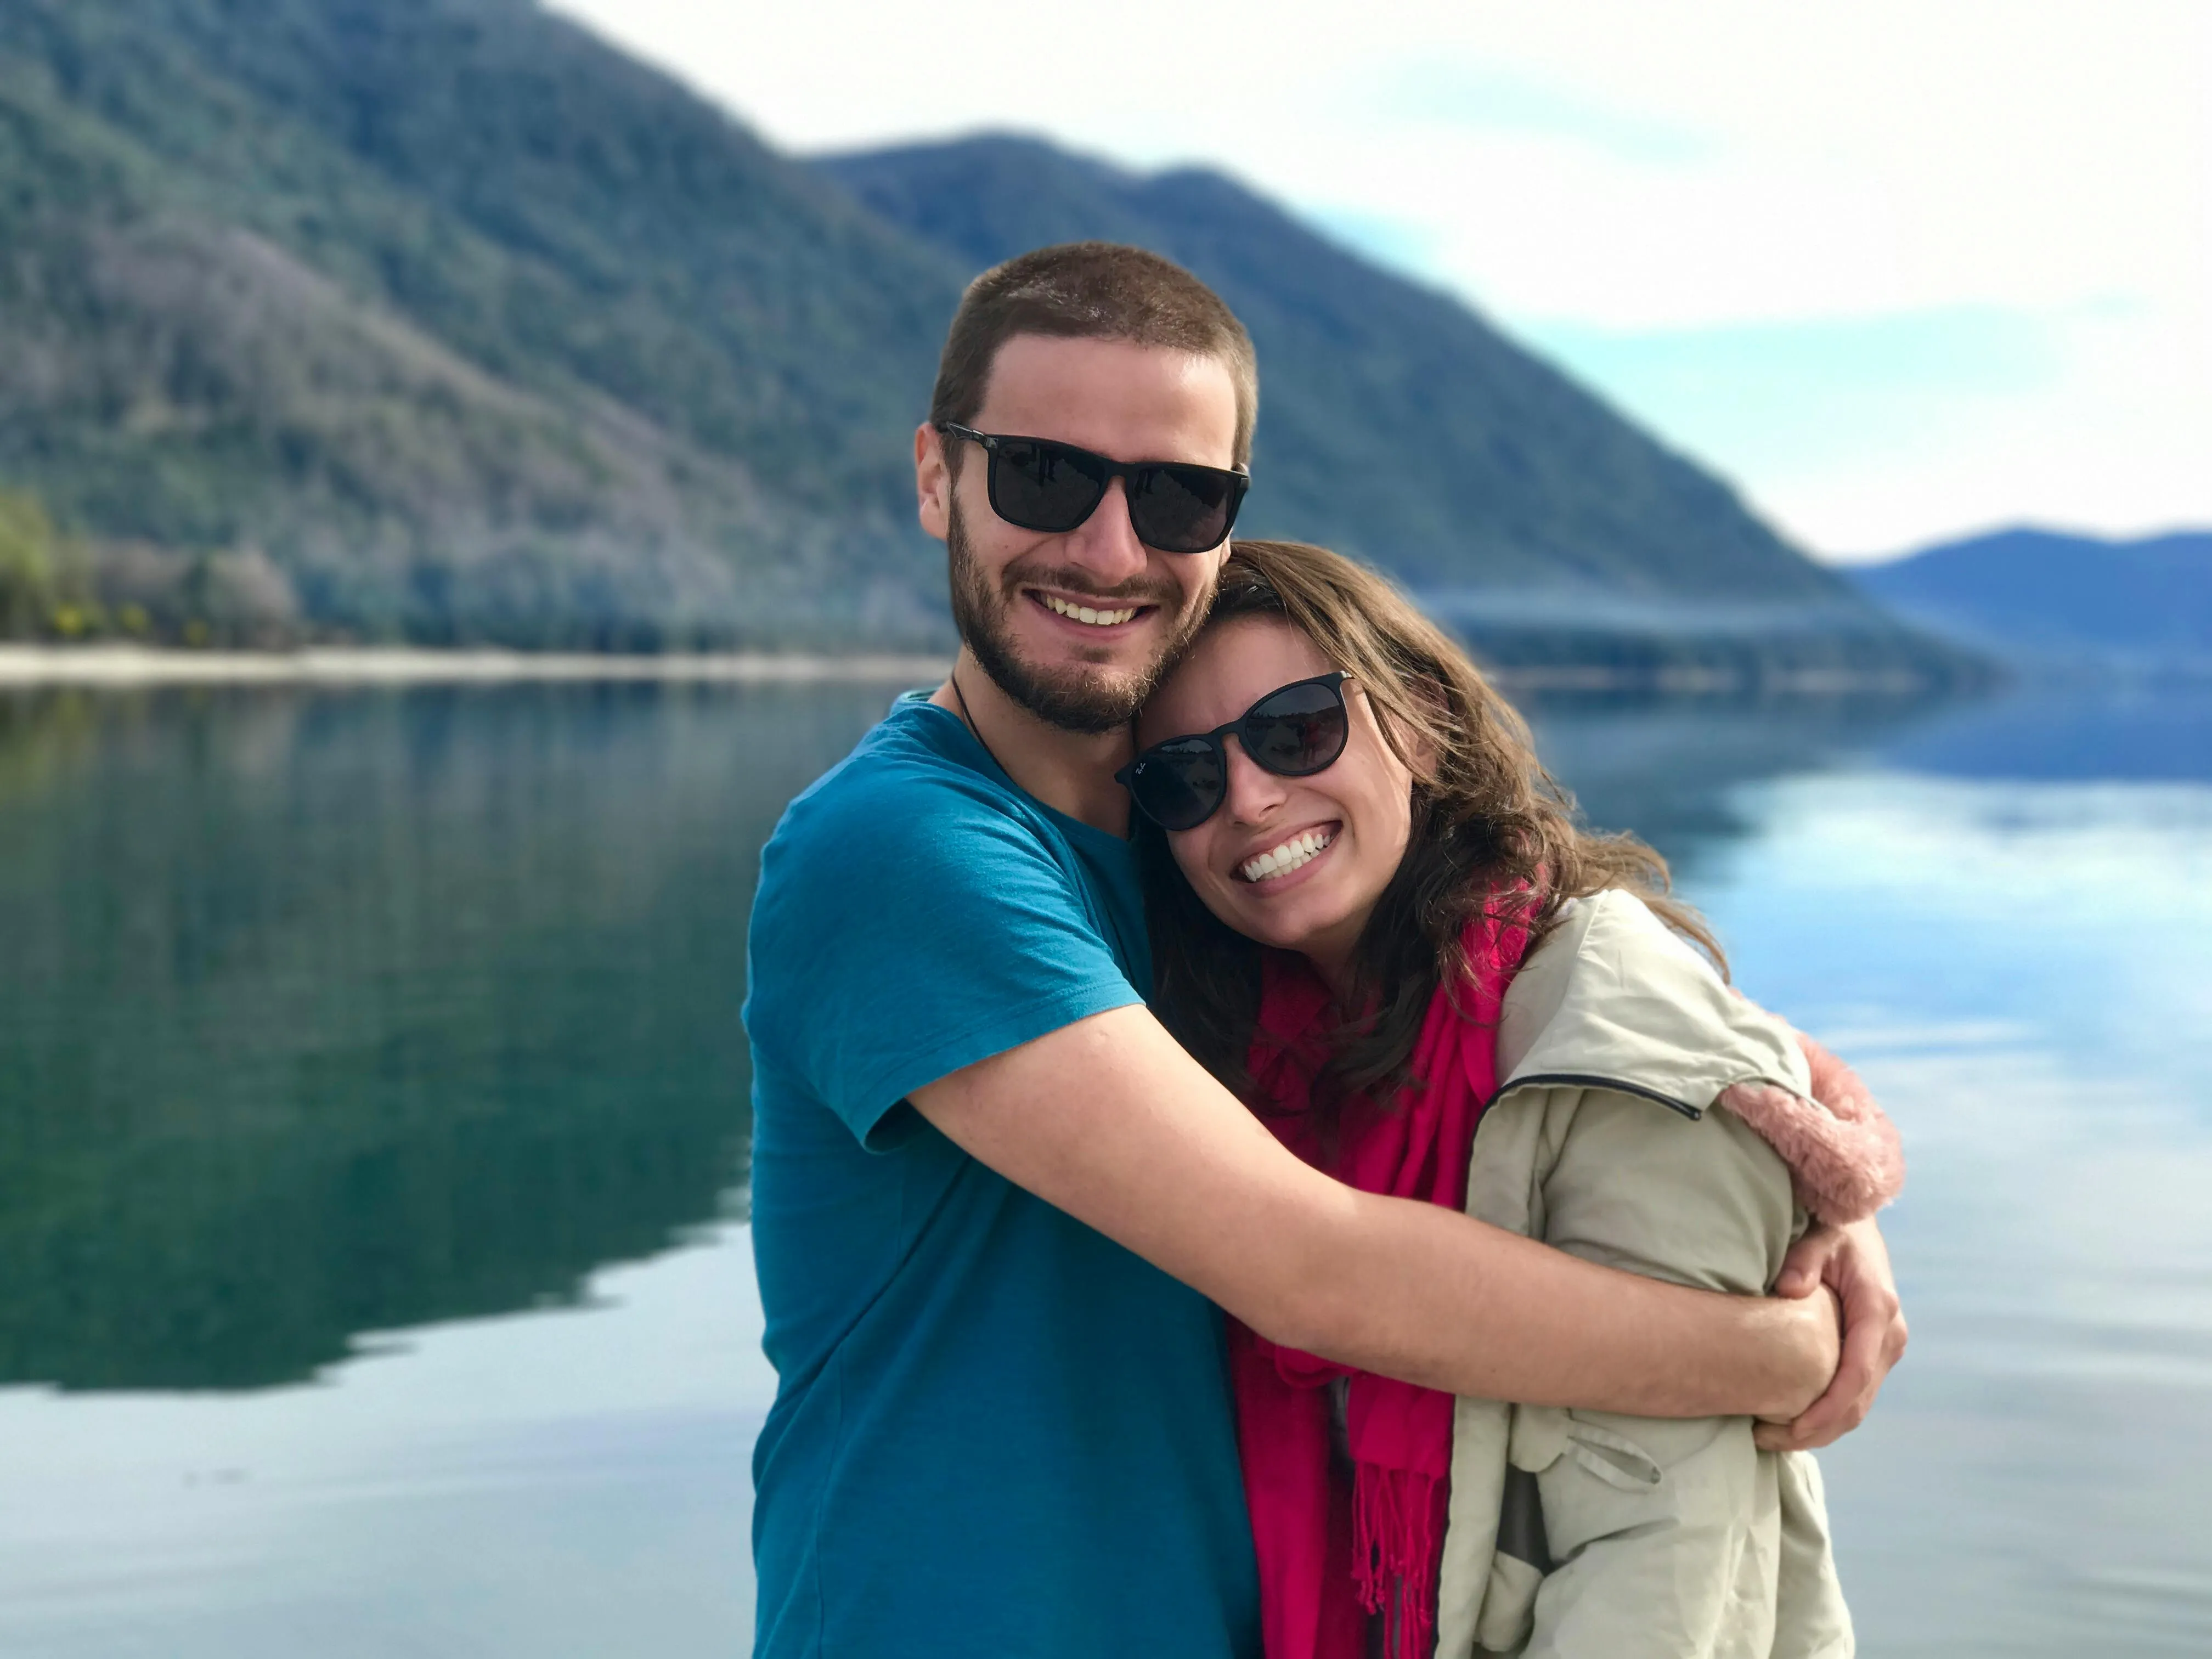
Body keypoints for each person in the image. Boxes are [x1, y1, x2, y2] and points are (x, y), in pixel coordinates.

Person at [741, 241, 1906, 1659]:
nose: (1109, 548)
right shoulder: (906, 856)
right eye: (1043, 476)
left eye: (1177, 494)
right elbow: (1314, 1272)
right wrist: (1770, 1348)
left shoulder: (1188, 859)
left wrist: (1807, 1201)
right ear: (937, 477)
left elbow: (1585, 1027)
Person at [1131, 539, 1908, 1658]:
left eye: (1296, 730)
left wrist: (1798, 1331)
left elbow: (1661, 1567)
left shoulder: (1618, 1041)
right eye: (1185, 778)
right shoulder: (1255, 1060)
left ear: (1424, 719)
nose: (1247, 797)